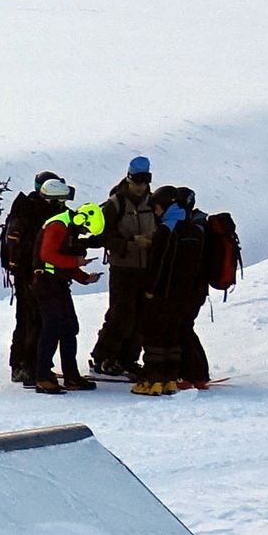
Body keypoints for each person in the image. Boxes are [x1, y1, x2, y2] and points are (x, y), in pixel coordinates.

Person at [133, 185, 221, 395]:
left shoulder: (168, 228)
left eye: (156, 208)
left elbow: (159, 263)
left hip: (162, 294)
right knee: (172, 336)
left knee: (154, 336)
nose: (155, 212)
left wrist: (149, 290)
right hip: (184, 294)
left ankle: (153, 380)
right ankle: (171, 379)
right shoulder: (192, 227)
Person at [22, 200, 100, 392]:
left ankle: (71, 376)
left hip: (56, 283)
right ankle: (43, 376)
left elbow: (61, 261)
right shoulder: (58, 226)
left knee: (69, 327)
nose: (83, 233)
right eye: (84, 229)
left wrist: (84, 278)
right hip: (47, 284)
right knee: (52, 328)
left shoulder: (66, 226)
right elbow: (48, 255)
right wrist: (77, 261)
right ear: (82, 219)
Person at [90, 157, 158, 376]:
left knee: (142, 315)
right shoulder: (115, 204)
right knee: (121, 314)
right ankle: (104, 357)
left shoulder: (153, 203)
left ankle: (128, 359)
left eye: (145, 181)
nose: (141, 186)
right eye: (137, 181)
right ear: (129, 179)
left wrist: (152, 241)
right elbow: (102, 235)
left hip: (146, 267)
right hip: (123, 267)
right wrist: (129, 243)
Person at [4, 171, 70, 383]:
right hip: (30, 273)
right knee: (33, 318)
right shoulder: (31, 210)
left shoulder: (34, 208)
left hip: (33, 272)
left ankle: (25, 364)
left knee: (30, 318)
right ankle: (28, 365)